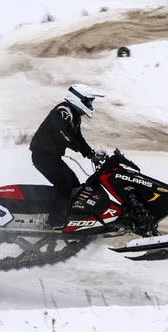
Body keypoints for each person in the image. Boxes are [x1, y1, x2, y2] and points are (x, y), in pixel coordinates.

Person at [29, 84, 105, 228]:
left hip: (52, 157)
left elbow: (78, 137)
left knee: (75, 184)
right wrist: (76, 146)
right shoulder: (63, 110)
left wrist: (90, 153)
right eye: (88, 101)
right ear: (78, 99)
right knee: (63, 183)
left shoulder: (74, 115)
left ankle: (71, 215)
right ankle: (54, 220)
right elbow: (60, 133)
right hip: (43, 155)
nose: (90, 105)